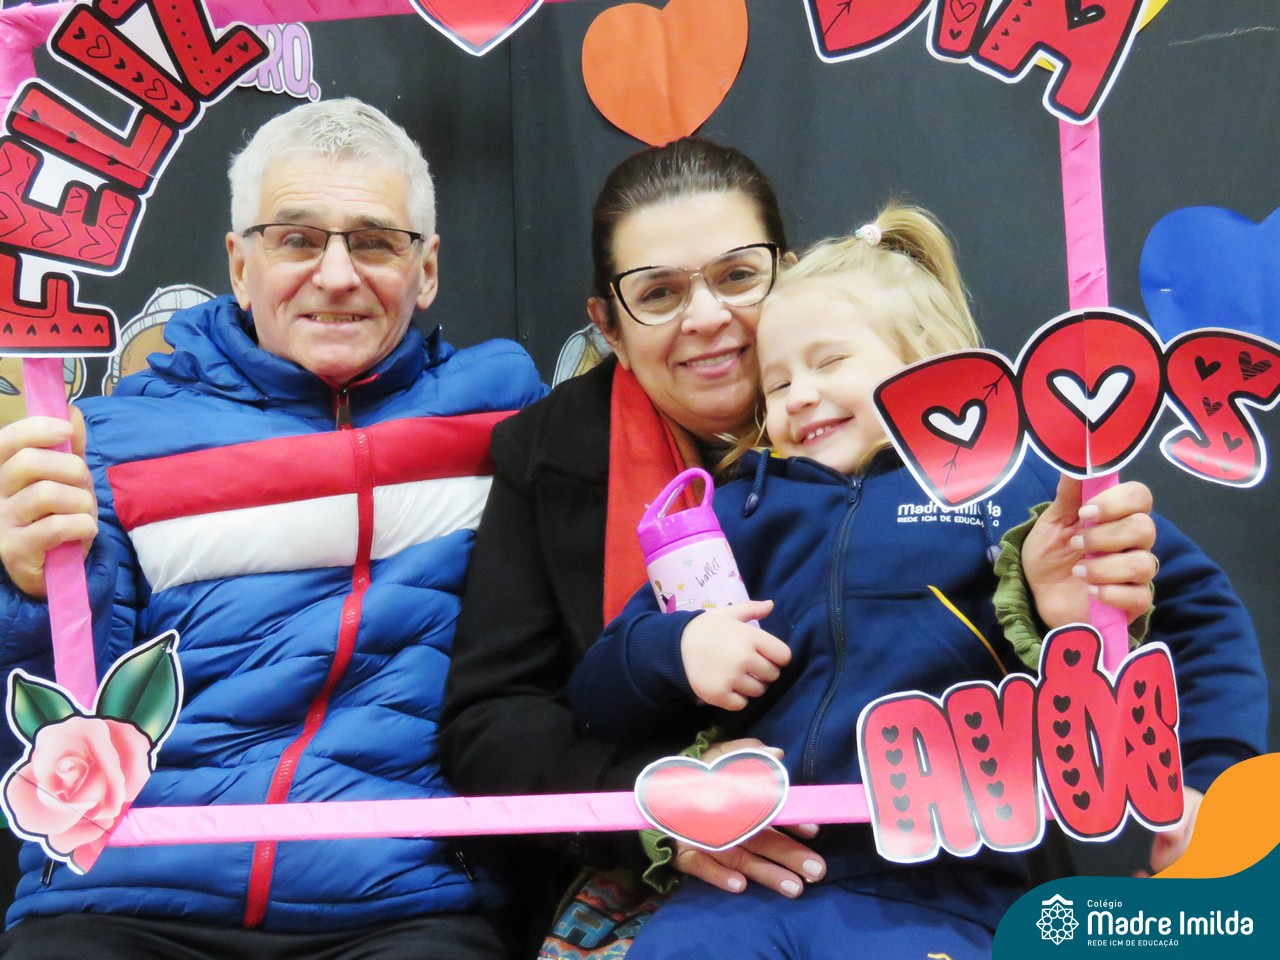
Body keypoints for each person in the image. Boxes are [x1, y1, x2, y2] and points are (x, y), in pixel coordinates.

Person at [567, 205, 1268, 959]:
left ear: (933, 363)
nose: (797, 396)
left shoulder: (1021, 485)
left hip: (948, 892)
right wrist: (675, 649)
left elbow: (1198, 615)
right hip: (742, 889)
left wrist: (1209, 782)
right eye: (776, 382)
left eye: (829, 363)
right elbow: (596, 697)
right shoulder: (735, 515)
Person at [0, 98, 544, 959]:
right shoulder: (106, 443)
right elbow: (51, 708)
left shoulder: (508, 415)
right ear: (240, 264)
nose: (337, 275)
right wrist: (29, 591)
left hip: (401, 901)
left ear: (427, 269)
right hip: (128, 894)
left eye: (375, 241)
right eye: (296, 239)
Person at [439, 138, 828, 954]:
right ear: (608, 328)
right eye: (659, 293)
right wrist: (661, 809)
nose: (707, 318)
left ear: (788, 278)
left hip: (883, 845)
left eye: (737, 276)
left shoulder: (894, 402)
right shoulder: (547, 455)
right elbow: (493, 725)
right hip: (651, 867)